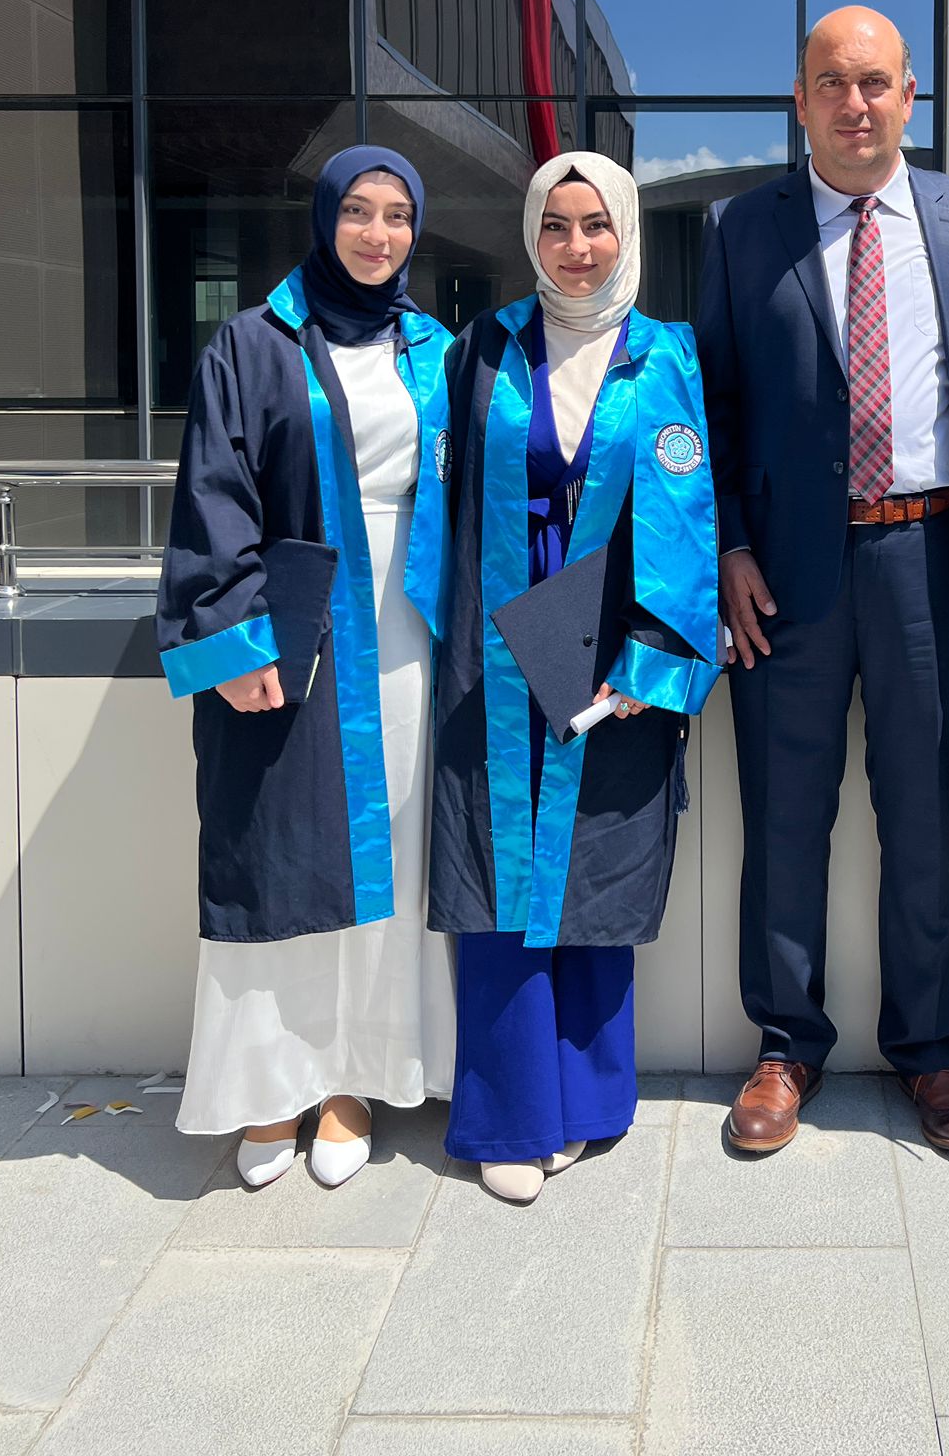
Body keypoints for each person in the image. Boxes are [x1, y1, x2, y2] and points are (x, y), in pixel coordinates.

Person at [695, 5, 949, 1155]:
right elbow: (714, 401)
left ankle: (931, 1049)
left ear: (909, 95)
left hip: (929, 554)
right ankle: (786, 1044)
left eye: (875, 81)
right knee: (785, 811)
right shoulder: (740, 227)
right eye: (831, 81)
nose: (855, 101)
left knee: (924, 812)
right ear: (800, 100)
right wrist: (729, 545)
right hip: (785, 569)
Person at [157, 147, 455, 1189]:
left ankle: (356, 1080)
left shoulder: (435, 348)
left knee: (390, 850)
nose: (379, 234)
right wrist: (234, 640)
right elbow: (213, 493)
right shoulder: (253, 342)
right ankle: (272, 1083)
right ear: (325, 218)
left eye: (399, 215)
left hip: (407, 630)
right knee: (277, 849)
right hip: (294, 631)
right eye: (359, 211)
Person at [431, 152, 721, 1204]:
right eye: (555, 225)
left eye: (596, 223)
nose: (577, 246)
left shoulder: (664, 354)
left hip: (612, 647)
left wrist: (657, 658)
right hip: (499, 641)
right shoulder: (486, 345)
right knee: (497, 868)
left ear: (625, 231)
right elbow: (442, 494)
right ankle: (510, 1112)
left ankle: (587, 1100)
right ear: (531, 236)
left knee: (595, 866)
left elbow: (688, 511)